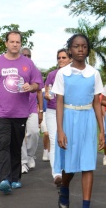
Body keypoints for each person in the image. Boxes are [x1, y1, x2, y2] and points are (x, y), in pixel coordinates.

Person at [0, 30, 43, 194]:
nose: (15, 44)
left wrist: (31, 87)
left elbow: (38, 83)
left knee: (16, 146)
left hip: (20, 112)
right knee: (3, 145)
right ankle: (4, 179)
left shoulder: (28, 64)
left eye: (18, 42)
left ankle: (15, 178)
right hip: (0, 111)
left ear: (21, 43)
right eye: (12, 41)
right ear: (6, 43)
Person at [52, 34, 105, 208]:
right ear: (70, 50)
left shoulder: (94, 73)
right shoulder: (63, 73)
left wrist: (102, 130)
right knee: (70, 164)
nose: (80, 49)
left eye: (83, 46)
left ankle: (86, 205)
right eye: (76, 46)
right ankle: (65, 187)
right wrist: (60, 130)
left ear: (87, 49)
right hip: (68, 118)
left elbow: (97, 102)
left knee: (88, 164)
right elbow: (59, 102)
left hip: (88, 119)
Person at [44, 48, 72, 187]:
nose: (61, 60)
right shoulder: (52, 74)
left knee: (67, 141)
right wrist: (47, 95)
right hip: (52, 111)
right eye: (59, 58)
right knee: (54, 140)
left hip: (69, 111)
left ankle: (66, 169)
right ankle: (57, 174)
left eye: (64, 57)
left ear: (70, 59)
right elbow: (47, 91)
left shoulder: (74, 74)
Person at [20, 48, 44, 174]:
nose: (26, 57)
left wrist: (40, 110)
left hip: (32, 108)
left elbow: (39, 90)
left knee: (34, 132)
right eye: (24, 55)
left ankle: (30, 156)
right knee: (21, 136)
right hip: (18, 108)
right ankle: (23, 162)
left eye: (28, 55)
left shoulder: (35, 71)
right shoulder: (16, 69)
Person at [40, 87, 50, 162]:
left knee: (51, 135)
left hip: (53, 113)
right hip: (44, 113)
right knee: (46, 134)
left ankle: (49, 152)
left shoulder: (57, 89)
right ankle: (45, 149)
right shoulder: (42, 91)